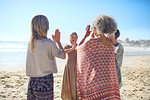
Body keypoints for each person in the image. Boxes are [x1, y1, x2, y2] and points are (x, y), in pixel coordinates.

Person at [77, 14, 121, 100]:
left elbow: (78, 49)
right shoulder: (111, 43)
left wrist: (86, 35)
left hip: (96, 80)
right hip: (109, 79)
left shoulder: (91, 42)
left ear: (95, 29)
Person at [26, 15, 65, 100]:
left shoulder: (31, 43)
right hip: (45, 82)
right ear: (45, 27)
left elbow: (43, 51)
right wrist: (58, 41)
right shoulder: (49, 43)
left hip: (32, 81)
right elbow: (63, 55)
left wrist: (53, 43)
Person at [61, 25, 91, 100]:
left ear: (77, 38)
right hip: (69, 67)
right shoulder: (67, 46)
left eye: (75, 37)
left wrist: (85, 36)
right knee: (69, 83)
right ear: (70, 38)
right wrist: (72, 48)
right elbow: (62, 52)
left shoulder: (79, 46)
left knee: (76, 83)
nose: (74, 38)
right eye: (72, 37)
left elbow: (81, 45)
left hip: (77, 67)